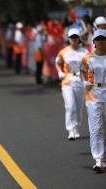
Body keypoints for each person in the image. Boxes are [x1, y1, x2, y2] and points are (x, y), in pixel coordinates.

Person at [55, 28, 88, 140]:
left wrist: (88, 79)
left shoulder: (85, 52)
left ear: (79, 38)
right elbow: (58, 62)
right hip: (68, 80)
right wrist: (60, 72)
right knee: (70, 105)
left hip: (80, 81)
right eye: (72, 37)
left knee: (78, 107)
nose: (74, 39)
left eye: (76, 37)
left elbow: (90, 66)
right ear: (68, 39)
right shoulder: (63, 52)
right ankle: (70, 130)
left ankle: (76, 127)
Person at [80, 29, 106, 173]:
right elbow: (82, 70)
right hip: (93, 94)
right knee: (96, 128)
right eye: (98, 39)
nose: (101, 42)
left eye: (103, 39)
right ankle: (98, 159)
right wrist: (85, 81)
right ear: (94, 42)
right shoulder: (88, 58)